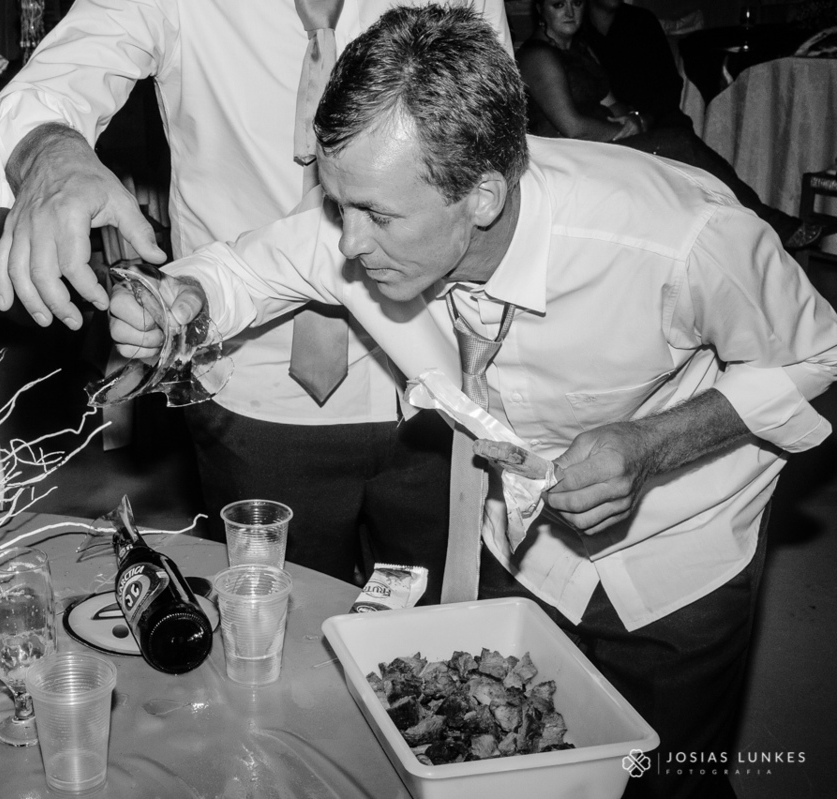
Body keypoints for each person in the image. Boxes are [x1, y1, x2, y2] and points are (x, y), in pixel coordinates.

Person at [108, 7, 837, 798]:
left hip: (677, 560)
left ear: (483, 196)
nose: (348, 245)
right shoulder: (370, 218)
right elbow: (243, 272)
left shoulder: (676, 237)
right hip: (519, 544)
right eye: (338, 205)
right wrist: (179, 300)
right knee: (496, 763)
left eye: (378, 217)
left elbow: (816, 352)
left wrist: (650, 444)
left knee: (665, 779)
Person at [0, 0, 512, 599]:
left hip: (436, 378)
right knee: (279, 629)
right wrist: (49, 153)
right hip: (249, 377)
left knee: (437, 632)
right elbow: (58, 76)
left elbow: (492, 138)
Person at [516, 0, 809, 248]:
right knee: (678, 144)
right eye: (558, 4)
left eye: (576, 3)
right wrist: (624, 130)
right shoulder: (538, 55)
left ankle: (740, 232)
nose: (569, 12)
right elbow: (572, 127)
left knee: (681, 146)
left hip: (605, 143)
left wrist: (636, 118)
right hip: (572, 156)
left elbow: (612, 102)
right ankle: (766, 222)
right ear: (540, 9)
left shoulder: (580, 48)